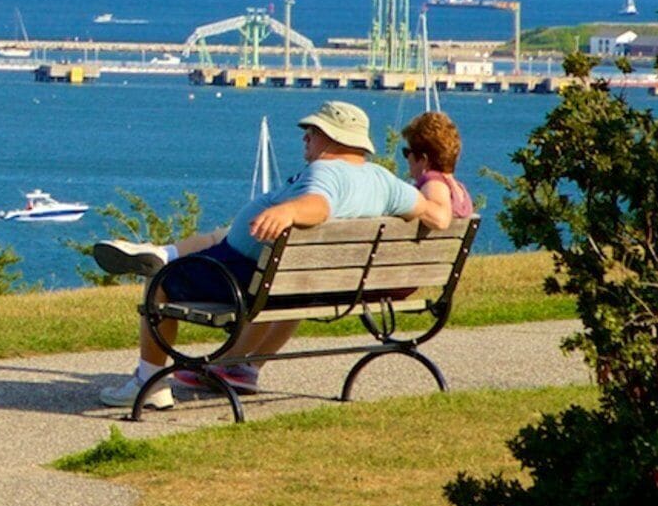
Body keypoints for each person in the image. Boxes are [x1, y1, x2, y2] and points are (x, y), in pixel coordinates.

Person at [91, 100, 420, 410]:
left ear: (334, 139)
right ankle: (238, 365)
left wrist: (287, 212)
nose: (306, 136)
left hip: (246, 276)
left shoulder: (327, 171)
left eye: (314, 131)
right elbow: (435, 212)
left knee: (158, 279)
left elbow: (319, 206)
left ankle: (148, 383)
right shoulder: (383, 180)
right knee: (217, 240)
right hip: (302, 282)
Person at [398, 109, 477, 241]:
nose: (407, 159)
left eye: (407, 153)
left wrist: (406, 200)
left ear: (423, 159)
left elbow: (441, 220)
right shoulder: (459, 190)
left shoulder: (433, 182)